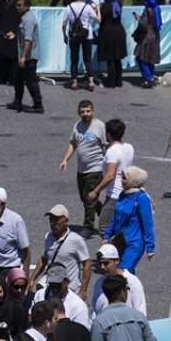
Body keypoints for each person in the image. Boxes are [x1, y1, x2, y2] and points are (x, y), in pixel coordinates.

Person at [58, 100, 108, 232]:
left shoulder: (100, 126)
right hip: (82, 170)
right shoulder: (77, 125)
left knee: (88, 197)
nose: (85, 114)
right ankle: (104, 214)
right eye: (82, 112)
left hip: (95, 168)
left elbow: (107, 146)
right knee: (85, 197)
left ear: (93, 111)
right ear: (78, 112)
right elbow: (73, 143)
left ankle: (88, 226)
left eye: (88, 111)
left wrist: (109, 167)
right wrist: (65, 160)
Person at [103, 166, 156, 274]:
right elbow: (115, 218)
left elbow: (147, 224)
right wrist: (107, 235)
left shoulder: (142, 198)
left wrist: (150, 247)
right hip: (120, 241)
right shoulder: (123, 194)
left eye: (124, 178)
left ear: (134, 180)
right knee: (126, 273)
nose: (121, 181)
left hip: (134, 244)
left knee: (123, 271)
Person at [32, 203, 92, 297]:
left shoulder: (76, 240)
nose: (52, 222)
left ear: (66, 220)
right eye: (51, 219)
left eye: (56, 219)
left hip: (70, 291)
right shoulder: (48, 237)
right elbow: (43, 260)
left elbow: (87, 265)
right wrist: (32, 280)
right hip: (52, 289)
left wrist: (83, 290)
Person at [88, 118, 134, 234]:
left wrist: (95, 191)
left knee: (104, 228)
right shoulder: (129, 147)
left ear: (108, 134)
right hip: (126, 192)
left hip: (114, 195)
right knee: (119, 227)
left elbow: (110, 176)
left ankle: (111, 251)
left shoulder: (112, 152)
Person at [6, 0, 45, 114]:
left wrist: (23, 57)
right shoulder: (25, 18)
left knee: (31, 81)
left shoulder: (28, 20)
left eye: (19, 5)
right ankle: (17, 102)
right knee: (17, 79)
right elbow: (25, 37)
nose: (17, 7)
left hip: (28, 57)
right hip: (24, 57)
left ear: (27, 6)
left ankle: (38, 105)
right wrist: (15, 35)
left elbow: (28, 40)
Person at [61, 0, 98, 92]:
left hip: (74, 35)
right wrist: (98, 9)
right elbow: (98, 19)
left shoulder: (69, 7)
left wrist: (64, 35)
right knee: (87, 59)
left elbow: (64, 24)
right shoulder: (87, 7)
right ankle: (90, 82)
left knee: (74, 59)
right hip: (87, 35)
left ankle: (74, 82)